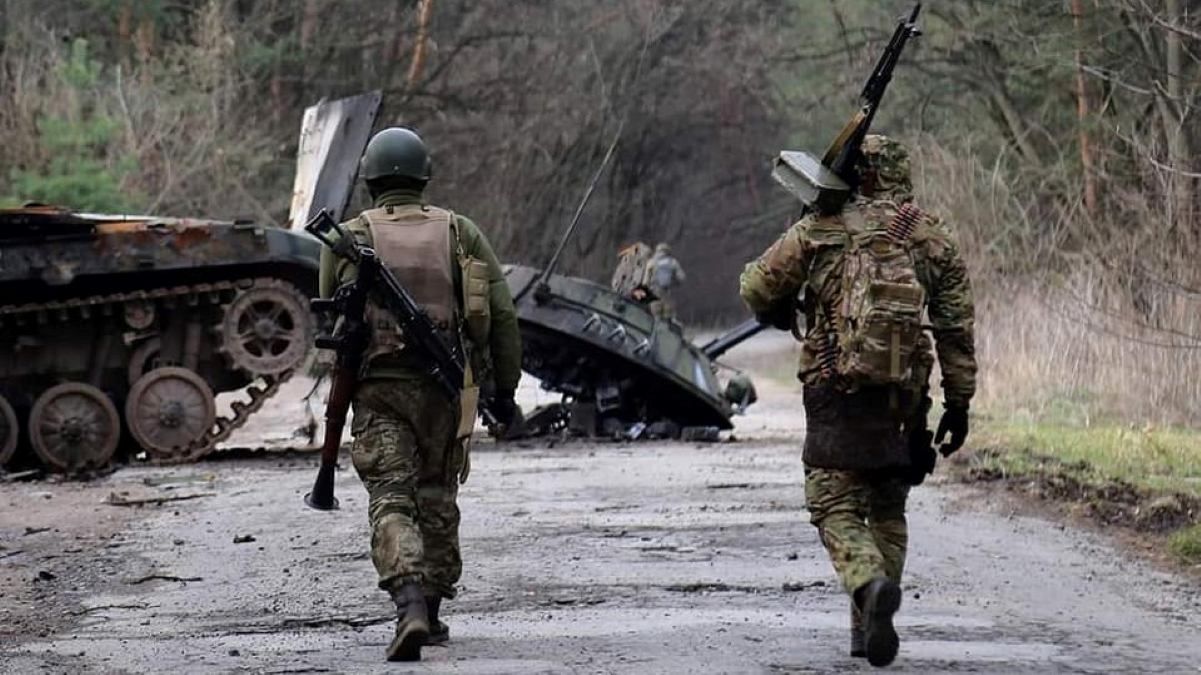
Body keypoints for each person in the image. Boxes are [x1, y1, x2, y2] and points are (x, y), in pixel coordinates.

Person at [738, 135, 976, 667]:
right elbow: (955, 327)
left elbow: (755, 286)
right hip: (904, 397)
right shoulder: (931, 235)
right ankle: (867, 620)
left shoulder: (820, 227)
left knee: (833, 504)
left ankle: (867, 585)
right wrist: (958, 402)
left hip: (834, 391)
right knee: (888, 507)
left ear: (855, 174)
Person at [318, 127, 523, 662]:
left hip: (379, 391)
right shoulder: (461, 233)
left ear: (370, 180)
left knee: (391, 496)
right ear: (423, 178)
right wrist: (505, 389)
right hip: (445, 390)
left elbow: (332, 323)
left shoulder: (347, 237)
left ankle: (406, 600)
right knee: (436, 494)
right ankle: (429, 612)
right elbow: (501, 317)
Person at [649, 242, 686, 319]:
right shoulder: (673, 262)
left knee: (656, 312)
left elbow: (645, 279)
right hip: (667, 290)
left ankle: (656, 325)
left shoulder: (652, 262)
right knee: (667, 311)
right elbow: (682, 277)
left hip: (654, 290)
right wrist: (676, 283)